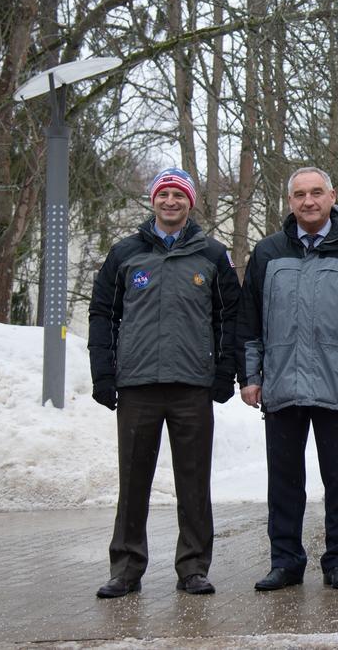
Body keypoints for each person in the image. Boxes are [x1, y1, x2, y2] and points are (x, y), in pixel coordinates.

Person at [88, 167, 241, 598]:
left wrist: (223, 372)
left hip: (191, 385)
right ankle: (126, 567)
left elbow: (230, 316)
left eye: (179, 195)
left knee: (194, 481)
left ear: (190, 203)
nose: (170, 201)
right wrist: (104, 373)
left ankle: (193, 567)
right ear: (152, 200)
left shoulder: (211, 255)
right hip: (137, 385)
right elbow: (102, 314)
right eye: (163, 194)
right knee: (133, 480)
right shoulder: (125, 254)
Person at [236, 166, 338, 592]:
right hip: (282, 384)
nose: (309, 201)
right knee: (284, 482)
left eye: (317, 193)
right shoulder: (267, 252)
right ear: (290, 202)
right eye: (300, 194)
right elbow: (248, 321)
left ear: (332, 195)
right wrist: (250, 377)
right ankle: (285, 562)